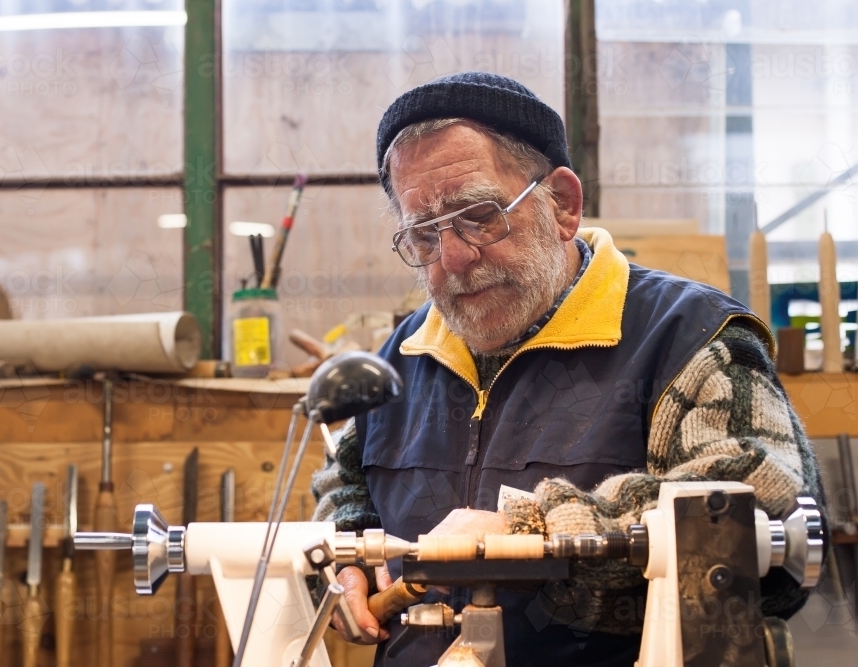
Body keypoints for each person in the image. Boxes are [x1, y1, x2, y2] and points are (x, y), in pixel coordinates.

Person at [311, 71, 824, 667]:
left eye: (478, 215)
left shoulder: (684, 337)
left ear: (563, 204)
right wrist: (344, 555)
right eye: (423, 235)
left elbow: (758, 504)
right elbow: (341, 480)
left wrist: (531, 531)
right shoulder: (404, 354)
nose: (451, 258)